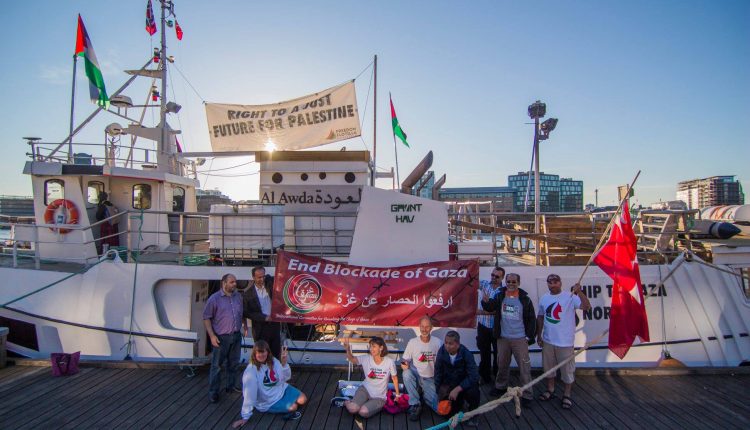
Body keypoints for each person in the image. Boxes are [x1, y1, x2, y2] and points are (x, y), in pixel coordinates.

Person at [536, 273, 591, 410]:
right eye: (550, 282)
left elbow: (586, 307)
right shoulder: (544, 298)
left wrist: (580, 293)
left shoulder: (571, 296)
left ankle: (567, 395)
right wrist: (539, 335)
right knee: (548, 369)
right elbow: (541, 317)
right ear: (547, 283)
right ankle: (551, 389)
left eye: (555, 282)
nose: (553, 284)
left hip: (565, 342)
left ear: (560, 283)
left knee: (567, 371)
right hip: (548, 340)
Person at [481, 273, 536, 406]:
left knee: (524, 367)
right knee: (502, 365)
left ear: (518, 283)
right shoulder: (500, 295)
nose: (511, 284)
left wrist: (530, 336)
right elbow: (490, 307)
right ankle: (500, 387)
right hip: (503, 338)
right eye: (509, 281)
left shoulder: (525, 299)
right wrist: (485, 301)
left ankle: (527, 394)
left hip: (519, 338)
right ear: (505, 282)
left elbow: (532, 319)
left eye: (513, 282)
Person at [231, 340, 307, 428]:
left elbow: (285, 378)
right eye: (258, 353)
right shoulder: (251, 370)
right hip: (268, 401)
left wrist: (284, 364)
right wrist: (245, 416)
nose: (261, 355)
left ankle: (286, 401)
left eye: (263, 352)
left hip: (281, 389)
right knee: (293, 407)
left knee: (303, 399)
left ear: (267, 352)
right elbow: (249, 394)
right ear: (254, 354)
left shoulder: (273, 361)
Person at [203, 273, 246, 403]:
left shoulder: (238, 296)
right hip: (221, 337)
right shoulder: (214, 299)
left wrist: (244, 325)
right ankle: (213, 392)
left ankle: (230, 386)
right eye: (232, 282)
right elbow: (206, 317)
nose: (234, 284)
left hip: (236, 335)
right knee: (217, 366)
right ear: (224, 283)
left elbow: (241, 313)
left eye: (235, 282)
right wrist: (211, 336)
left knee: (233, 364)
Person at [341, 336, 400, 418]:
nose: (371, 349)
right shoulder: (366, 358)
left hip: (380, 397)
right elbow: (352, 359)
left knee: (363, 412)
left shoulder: (389, 362)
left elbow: (394, 378)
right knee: (353, 409)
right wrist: (347, 349)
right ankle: (346, 402)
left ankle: (359, 402)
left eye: (374, 346)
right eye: (370, 346)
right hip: (365, 389)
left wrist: (397, 395)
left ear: (381, 348)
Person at [434, 330, 480, 428]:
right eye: (446, 342)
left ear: (458, 344)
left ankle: (474, 414)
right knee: (447, 415)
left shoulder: (466, 353)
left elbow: (474, 376)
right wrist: (439, 392)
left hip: (464, 385)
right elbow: (438, 372)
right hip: (450, 386)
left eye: (450, 343)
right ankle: (459, 404)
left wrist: (458, 388)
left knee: (474, 391)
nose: (447, 346)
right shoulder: (441, 352)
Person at [401, 316, 442, 421]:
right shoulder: (412, 342)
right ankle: (415, 403)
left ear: (431, 327)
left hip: (430, 378)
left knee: (438, 410)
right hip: (416, 375)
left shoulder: (438, 342)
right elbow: (405, 359)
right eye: (422, 327)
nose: (424, 329)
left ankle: (423, 395)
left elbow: (443, 364)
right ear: (419, 327)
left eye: (427, 327)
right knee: (406, 374)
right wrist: (404, 364)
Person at [244, 266, 282, 359]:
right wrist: (263, 317)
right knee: (261, 355)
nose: (262, 279)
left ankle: (274, 373)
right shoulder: (248, 294)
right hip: (260, 327)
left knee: (276, 353)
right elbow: (247, 313)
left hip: (274, 325)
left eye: (263, 276)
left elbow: (277, 276)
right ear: (253, 277)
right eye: (259, 277)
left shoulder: (269, 284)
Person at [476, 266, 505, 384]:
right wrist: (473, 264)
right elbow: (470, 281)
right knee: (484, 352)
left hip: (497, 327)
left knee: (498, 354)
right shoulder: (485, 284)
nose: (493, 278)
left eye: (496, 276)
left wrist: (481, 312)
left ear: (502, 277)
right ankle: (485, 377)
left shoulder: (503, 291)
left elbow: (499, 310)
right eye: (492, 275)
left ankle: (498, 378)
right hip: (483, 325)